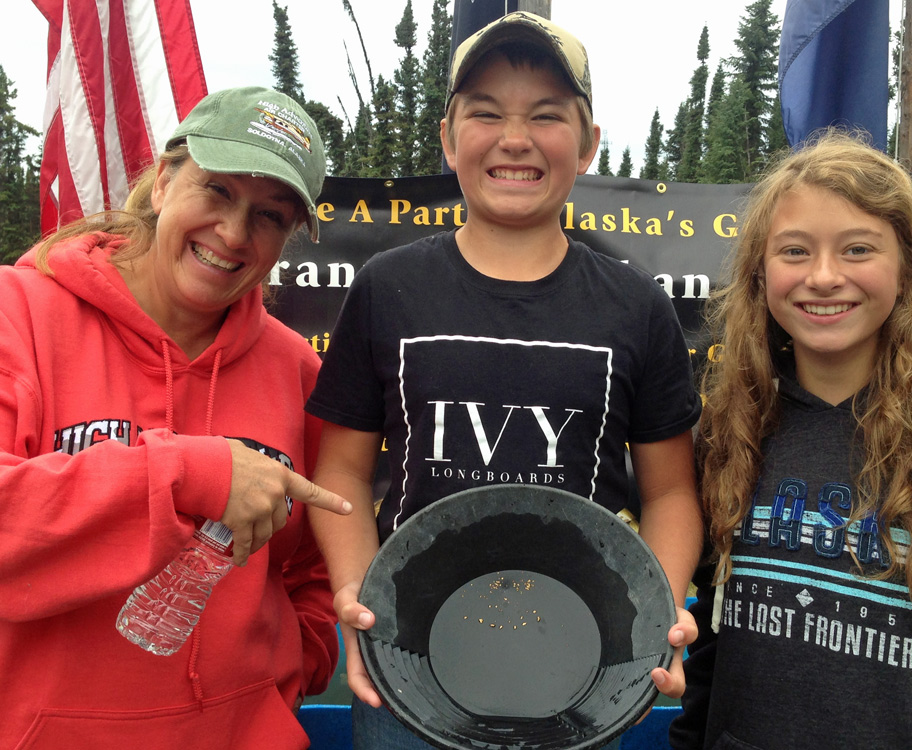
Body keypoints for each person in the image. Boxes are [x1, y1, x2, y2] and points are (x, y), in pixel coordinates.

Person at [305, 11, 703, 750]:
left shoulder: (636, 306)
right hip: (411, 667)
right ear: (451, 140)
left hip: (581, 671)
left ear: (585, 146)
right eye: (485, 114)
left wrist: (659, 611)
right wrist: (358, 601)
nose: (514, 138)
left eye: (546, 116)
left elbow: (672, 491)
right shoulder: (388, 287)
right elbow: (340, 471)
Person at [0, 86, 352, 750]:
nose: (233, 233)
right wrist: (190, 471)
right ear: (163, 180)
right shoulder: (19, 314)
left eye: (269, 216)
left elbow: (312, 563)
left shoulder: (294, 369)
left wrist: (291, 671)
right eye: (216, 192)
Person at [666, 130, 912, 749]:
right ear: (759, 274)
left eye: (857, 249)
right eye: (794, 251)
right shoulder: (731, 430)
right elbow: (712, 648)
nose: (823, 277)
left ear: (911, 265)